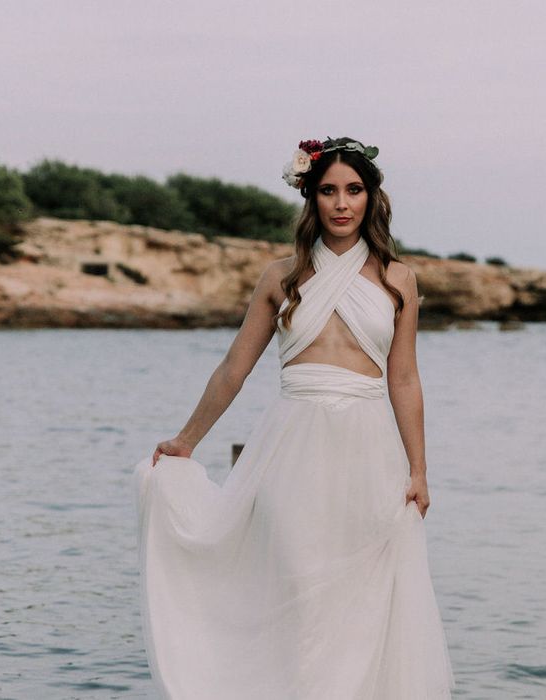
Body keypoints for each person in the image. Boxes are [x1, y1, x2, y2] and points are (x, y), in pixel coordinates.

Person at [133, 136, 456, 699]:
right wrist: (187, 440)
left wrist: (419, 470)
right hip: (292, 448)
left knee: (361, 599)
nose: (341, 203)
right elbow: (235, 366)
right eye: (328, 190)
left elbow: (404, 378)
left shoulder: (397, 278)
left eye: (353, 190)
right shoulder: (280, 276)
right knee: (303, 592)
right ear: (310, 197)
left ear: (371, 197)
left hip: (369, 452)